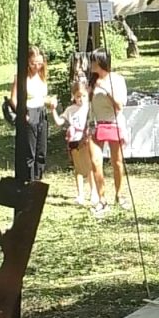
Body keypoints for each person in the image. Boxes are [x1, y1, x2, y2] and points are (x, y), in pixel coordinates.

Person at [87, 48, 130, 209]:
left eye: (94, 61)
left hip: (113, 123)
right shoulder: (91, 81)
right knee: (95, 161)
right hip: (96, 125)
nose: (91, 64)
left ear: (101, 62)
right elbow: (87, 105)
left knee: (117, 162)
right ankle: (102, 199)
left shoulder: (117, 80)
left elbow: (119, 106)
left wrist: (106, 90)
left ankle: (119, 195)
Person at [55, 55, 98, 208]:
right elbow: (59, 122)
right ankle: (80, 194)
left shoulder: (89, 107)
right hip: (74, 140)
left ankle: (93, 192)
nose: (81, 99)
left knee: (90, 166)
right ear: (74, 96)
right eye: (78, 96)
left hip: (85, 139)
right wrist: (53, 110)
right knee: (78, 168)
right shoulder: (70, 109)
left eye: (83, 96)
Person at [7, 46, 55, 182]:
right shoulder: (21, 77)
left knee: (41, 149)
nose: (37, 66)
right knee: (30, 151)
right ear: (27, 62)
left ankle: (38, 179)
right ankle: (29, 180)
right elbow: (13, 99)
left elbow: (42, 96)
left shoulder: (42, 75)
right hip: (29, 112)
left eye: (40, 63)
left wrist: (50, 101)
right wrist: (23, 114)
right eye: (33, 63)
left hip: (41, 112)